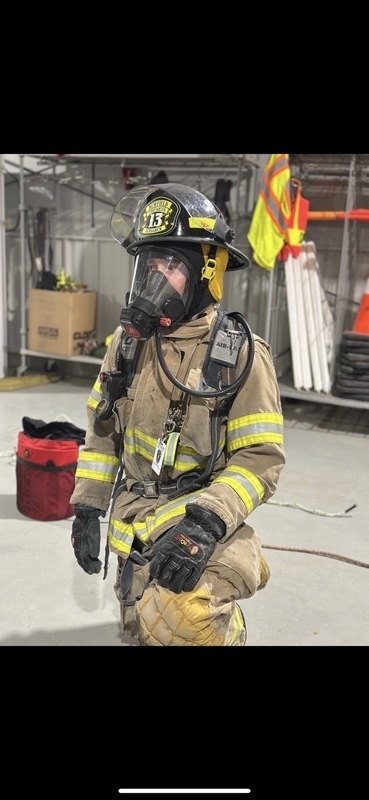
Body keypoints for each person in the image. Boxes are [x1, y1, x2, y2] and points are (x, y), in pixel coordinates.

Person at [70, 182, 285, 646]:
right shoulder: (127, 344)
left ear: (209, 272)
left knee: (186, 624)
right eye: (150, 263)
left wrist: (205, 523)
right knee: (142, 630)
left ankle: (227, 606)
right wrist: (88, 505)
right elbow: (102, 431)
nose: (155, 278)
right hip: (136, 519)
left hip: (193, 517)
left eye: (171, 264)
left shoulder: (239, 355)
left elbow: (260, 460)